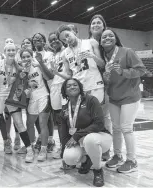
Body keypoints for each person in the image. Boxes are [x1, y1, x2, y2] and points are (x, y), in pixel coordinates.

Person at [100, 29, 147, 173]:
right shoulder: (103, 57)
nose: (107, 38)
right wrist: (106, 77)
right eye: (104, 36)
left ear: (116, 38)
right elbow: (107, 80)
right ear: (100, 42)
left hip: (129, 96)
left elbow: (142, 70)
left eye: (110, 35)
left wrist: (123, 72)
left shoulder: (127, 52)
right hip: (114, 97)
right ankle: (118, 155)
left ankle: (132, 160)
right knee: (116, 129)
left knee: (126, 128)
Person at [58, 78, 112, 187]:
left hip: (100, 137)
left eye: (75, 85)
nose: (72, 87)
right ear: (65, 91)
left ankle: (98, 170)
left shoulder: (91, 100)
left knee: (90, 139)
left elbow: (99, 124)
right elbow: (63, 134)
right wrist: (64, 151)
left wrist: (77, 135)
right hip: (81, 141)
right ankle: (87, 159)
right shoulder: (64, 109)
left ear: (80, 87)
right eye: (68, 86)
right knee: (69, 158)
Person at [0, 44, 33, 161]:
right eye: (8, 50)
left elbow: (22, 81)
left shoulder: (18, 66)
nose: (11, 52)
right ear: (4, 51)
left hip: (12, 95)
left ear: (16, 52)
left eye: (13, 50)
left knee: (19, 122)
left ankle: (29, 149)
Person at [58, 24, 105, 103]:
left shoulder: (91, 42)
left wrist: (93, 56)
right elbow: (69, 75)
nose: (67, 40)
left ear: (73, 31)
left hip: (95, 84)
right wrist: (56, 72)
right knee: (82, 115)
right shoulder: (64, 54)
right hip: (79, 88)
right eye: (64, 40)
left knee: (96, 113)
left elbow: (102, 64)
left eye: (68, 35)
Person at [88, 15, 112, 161]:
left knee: (105, 117)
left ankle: (106, 149)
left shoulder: (108, 42)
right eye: (93, 23)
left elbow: (105, 65)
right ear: (90, 27)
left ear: (104, 26)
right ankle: (92, 146)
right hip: (90, 84)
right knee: (91, 117)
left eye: (99, 22)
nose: (96, 24)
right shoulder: (86, 44)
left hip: (106, 85)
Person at [47, 31, 71, 158]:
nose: (53, 41)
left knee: (67, 118)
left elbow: (69, 74)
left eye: (55, 39)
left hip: (64, 85)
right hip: (54, 88)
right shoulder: (52, 55)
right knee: (58, 119)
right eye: (50, 40)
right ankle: (62, 145)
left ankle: (68, 146)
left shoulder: (67, 51)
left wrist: (57, 73)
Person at [31, 33, 55, 152]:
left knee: (47, 115)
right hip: (36, 89)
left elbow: (50, 74)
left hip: (49, 87)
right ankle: (41, 136)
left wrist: (41, 64)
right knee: (37, 116)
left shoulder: (50, 54)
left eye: (40, 38)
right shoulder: (31, 55)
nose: (37, 40)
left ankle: (50, 139)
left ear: (44, 41)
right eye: (35, 39)